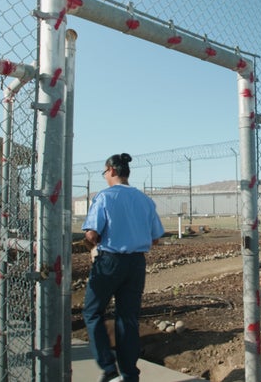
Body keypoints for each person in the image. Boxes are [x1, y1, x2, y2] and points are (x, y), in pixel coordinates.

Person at [81, 153, 164, 382]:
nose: (105, 176)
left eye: (105, 172)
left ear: (112, 170)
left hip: (109, 261)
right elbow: (156, 237)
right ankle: (129, 374)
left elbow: (92, 233)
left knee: (92, 311)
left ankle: (108, 368)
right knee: (127, 317)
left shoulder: (105, 197)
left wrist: (90, 241)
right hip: (136, 263)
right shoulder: (144, 200)